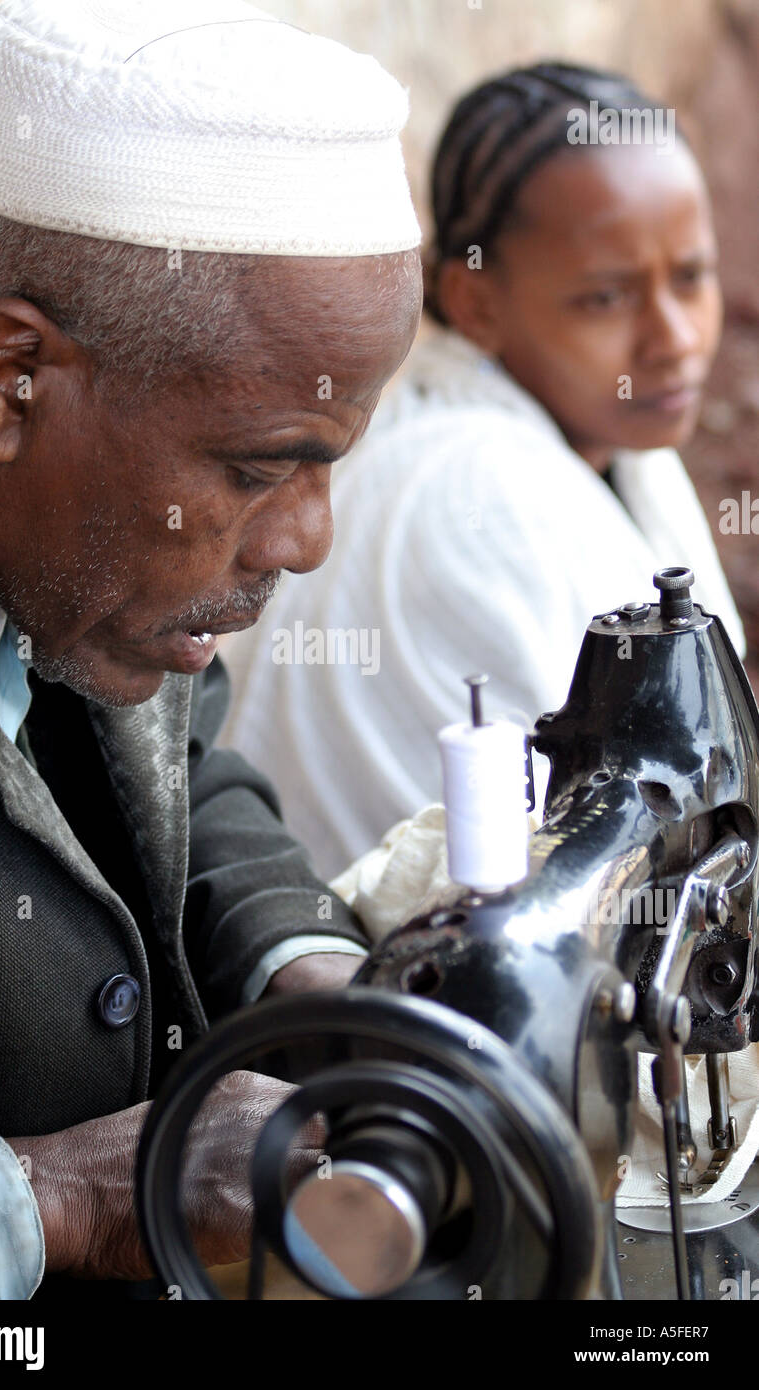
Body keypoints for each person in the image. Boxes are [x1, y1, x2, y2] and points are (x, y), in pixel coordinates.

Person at [0, 0, 422, 1298]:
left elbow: (182, 757)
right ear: (6, 378)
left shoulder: (77, 556)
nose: (306, 543)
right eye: (257, 469)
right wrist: (47, 1198)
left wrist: (312, 971)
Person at [221, 62, 745, 882]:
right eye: (607, 297)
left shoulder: (612, 443)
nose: (673, 338)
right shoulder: (484, 498)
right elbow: (650, 860)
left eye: (691, 277)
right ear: (474, 302)